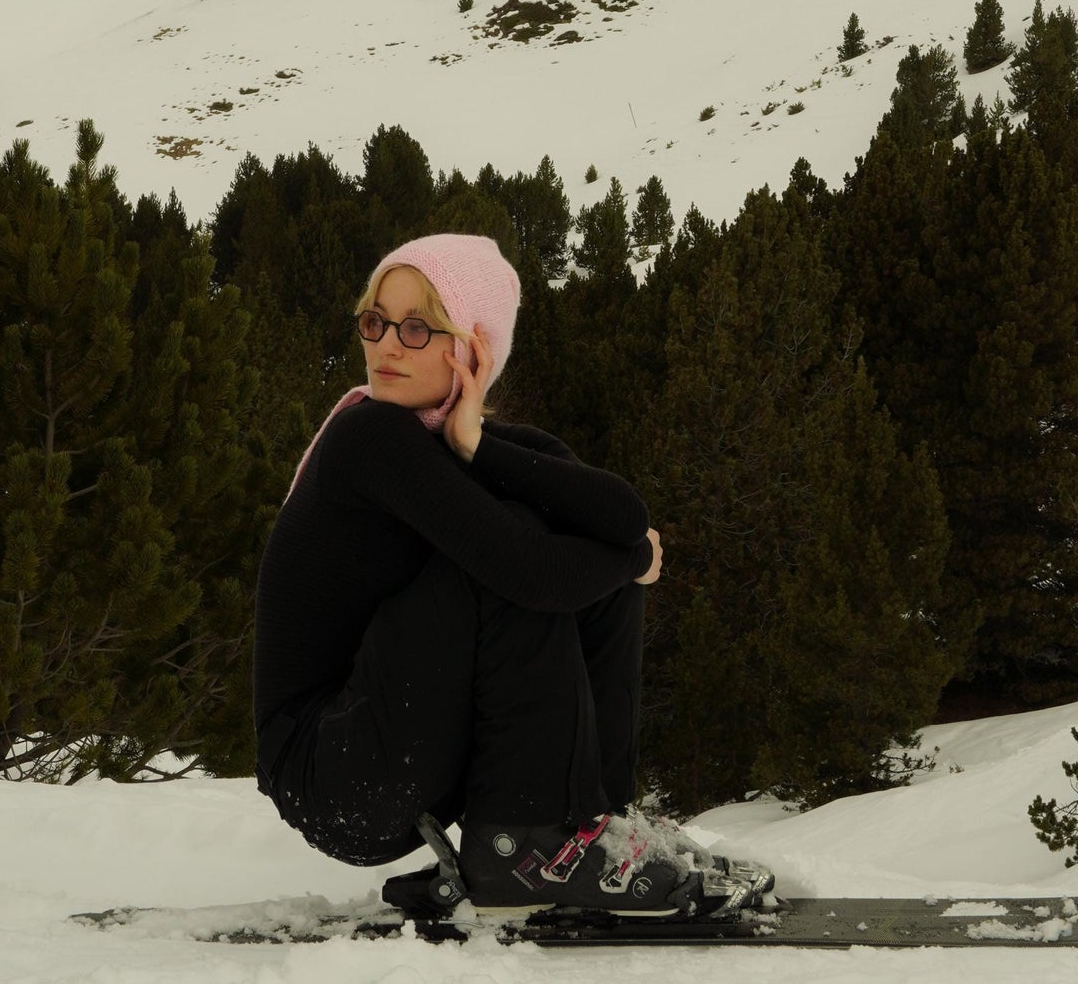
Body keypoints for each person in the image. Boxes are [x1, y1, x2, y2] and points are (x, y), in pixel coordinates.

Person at [253, 232, 770, 916]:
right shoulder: (366, 437)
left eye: (415, 327)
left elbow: (617, 512)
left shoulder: (448, 439)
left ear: (472, 346)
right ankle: (523, 847)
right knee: (517, 552)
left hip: (391, 748)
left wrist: (473, 444)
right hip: (330, 772)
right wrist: (634, 561)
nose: (385, 346)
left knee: (550, 551)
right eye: (375, 322)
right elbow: (546, 567)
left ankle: (590, 825)